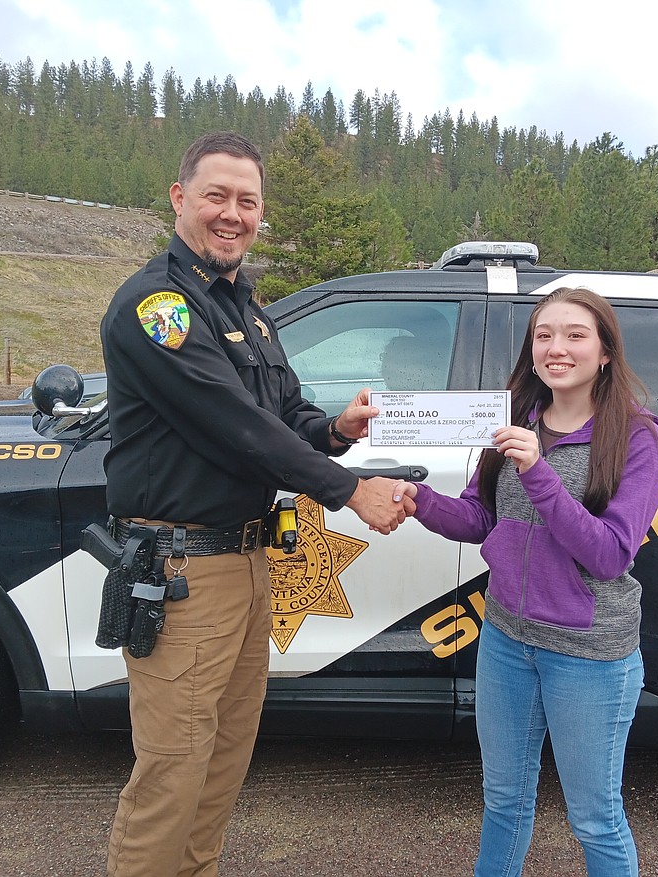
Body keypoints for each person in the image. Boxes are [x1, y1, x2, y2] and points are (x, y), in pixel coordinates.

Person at [100, 131, 409, 877]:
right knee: (171, 774)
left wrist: (337, 430)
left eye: (248, 201)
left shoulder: (250, 311)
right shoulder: (158, 307)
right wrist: (348, 489)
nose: (232, 214)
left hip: (245, 565)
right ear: (180, 199)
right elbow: (232, 425)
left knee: (222, 763)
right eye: (217, 196)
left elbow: (282, 411)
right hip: (182, 575)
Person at [395, 287, 658, 876]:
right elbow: (479, 520)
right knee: (503, 803)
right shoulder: (515, 422)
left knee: (595, 817)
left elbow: (611, 555)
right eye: (544, 335)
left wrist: (538, 471)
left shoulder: (638, 439)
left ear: (604, 352)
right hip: (505, 642)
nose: (556, 348)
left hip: (589, 654)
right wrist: (418, 500)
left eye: (575, 335)